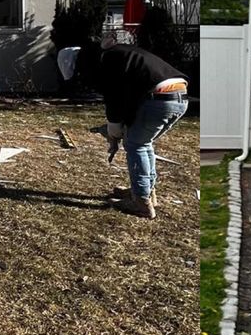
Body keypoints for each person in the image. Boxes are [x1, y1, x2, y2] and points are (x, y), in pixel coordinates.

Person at [57, 40, 187, 219]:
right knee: (143, 143)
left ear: (79, 63)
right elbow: (128, 97)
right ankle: (145, 191)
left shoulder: (106, 62)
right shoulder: (114, 55)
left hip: (158, 97)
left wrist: (114, 130)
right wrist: (117, 127)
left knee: (137, 145)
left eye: (79, 72)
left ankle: (141, 202)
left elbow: (115, 100)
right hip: (178, 96)